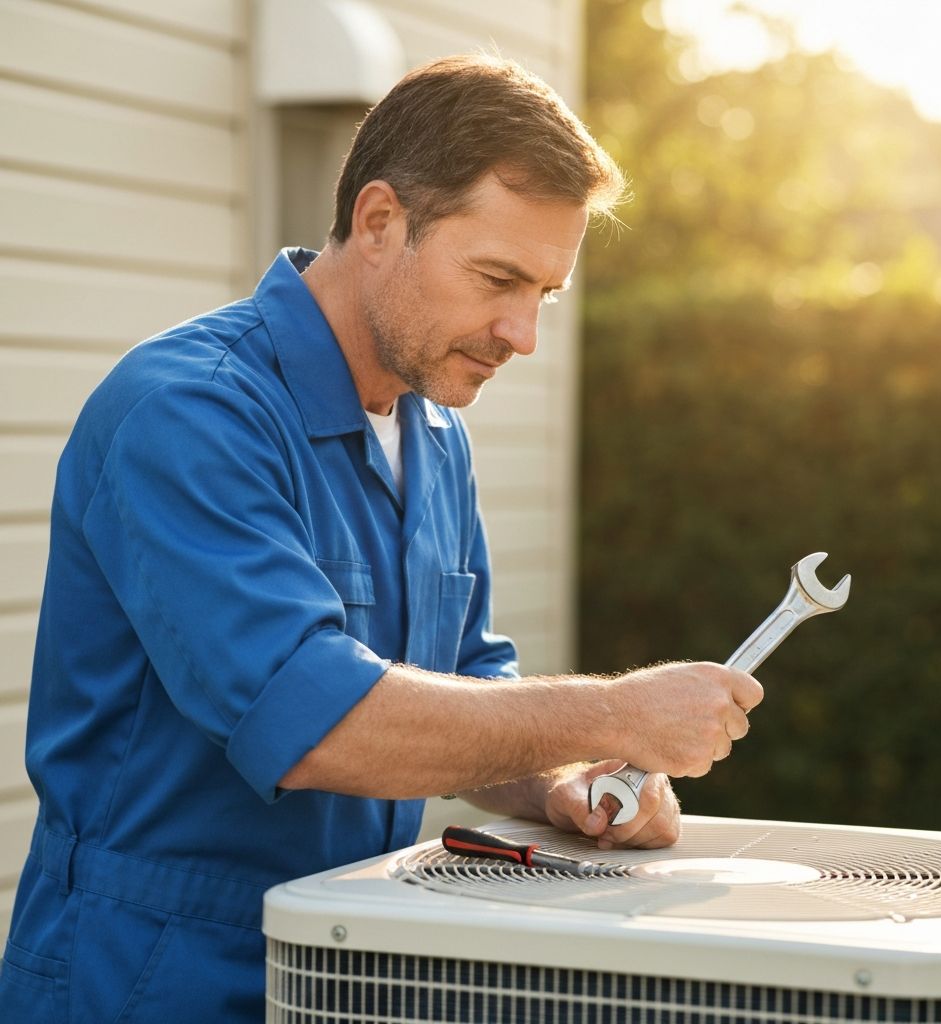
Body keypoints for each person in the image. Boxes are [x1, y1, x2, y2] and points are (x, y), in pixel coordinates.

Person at [0, 55, 762, 1021]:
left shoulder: (433, 434)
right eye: (497, 278)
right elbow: (318, 722)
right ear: (378, 221)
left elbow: (473, 687)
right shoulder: (186, 414)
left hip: (353, 963)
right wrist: (611, 716)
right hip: (153, 974)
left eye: (544, 294)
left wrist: (565, 783)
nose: (521, 333)